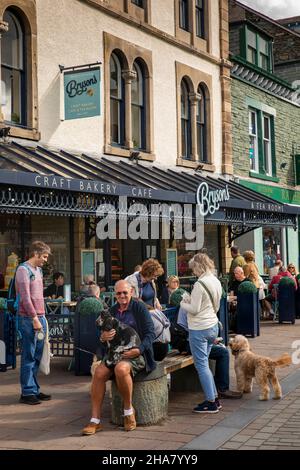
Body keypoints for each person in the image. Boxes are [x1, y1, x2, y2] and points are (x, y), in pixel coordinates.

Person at [82, 280, 156, 435]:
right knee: (99, 373)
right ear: (114, 294)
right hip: (114, 353)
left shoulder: (139, 308)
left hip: (136, 354)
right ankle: (95, 421)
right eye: (118, 293)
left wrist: (139, 349)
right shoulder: (112, 310)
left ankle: (129, 412)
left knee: (121, 369)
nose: (122, 296)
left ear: (131, 292)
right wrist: (103, 337)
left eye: (125, 292)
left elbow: (151, 333)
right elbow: (102, 338)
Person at [180, 253, 222, 414]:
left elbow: (195, 309)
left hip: (199, 329)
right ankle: (215, 398)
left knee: (202, 365)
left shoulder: (200, 284)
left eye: (194, 269)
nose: (193, 272)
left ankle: (211, 402)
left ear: (199, 266)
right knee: (205, 364)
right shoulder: (216, 281)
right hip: (213, 326)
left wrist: (183, 303)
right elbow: (215, 306)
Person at [176, 308, 242, 399]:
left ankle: (217, 390)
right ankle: (218, 392)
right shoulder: (188, 305)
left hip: (201, 340)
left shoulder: (200, 302)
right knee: (221, 354)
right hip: (190, 342)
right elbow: (183, 325)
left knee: (222, 351)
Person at [16, 240, 52, 405]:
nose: (45, 260)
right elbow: (25, 297)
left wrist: (42, 317)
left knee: (37, 355)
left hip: (40, 317)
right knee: (29, 355)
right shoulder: (23, 270)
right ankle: (27, 392)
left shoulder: (38, 270)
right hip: (29, 319)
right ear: (36, 254)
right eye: (44, 256)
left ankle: (34, 389)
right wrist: (35, 318)